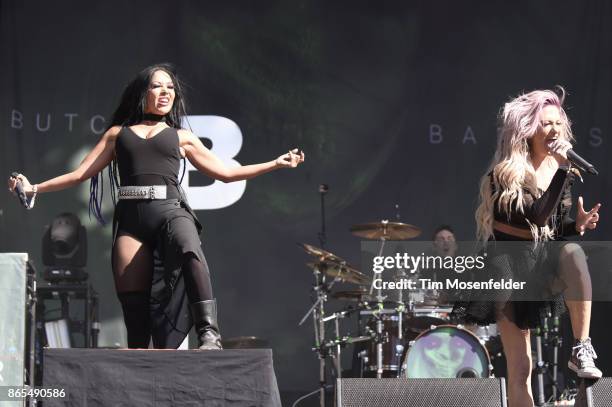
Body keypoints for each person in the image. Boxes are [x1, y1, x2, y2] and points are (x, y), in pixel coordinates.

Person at [8, 63, 305, 350]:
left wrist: (275, 164)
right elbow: (79, 174)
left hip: (170, 210)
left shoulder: (182, 137)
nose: (166, 92)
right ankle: (142, 362)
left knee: (189, 248)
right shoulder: (117, 135)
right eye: (157, 86)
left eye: (170, 88)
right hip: (130, 220)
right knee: (132, 299)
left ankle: (209, 335)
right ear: (142, 93)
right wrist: (34, 187)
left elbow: (226, 174)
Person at [451, 88, 602, 407]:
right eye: (546, 124)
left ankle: (582, 348)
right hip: (507, 267)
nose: (554, 130)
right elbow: (534, 215)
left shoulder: (560, 171)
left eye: (558, 124)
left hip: (540, 262)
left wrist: (576, 226)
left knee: (573, 252)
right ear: (529, 129)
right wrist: (562, 171)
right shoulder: (504, 173)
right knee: (521, 368)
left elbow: (547, 229)